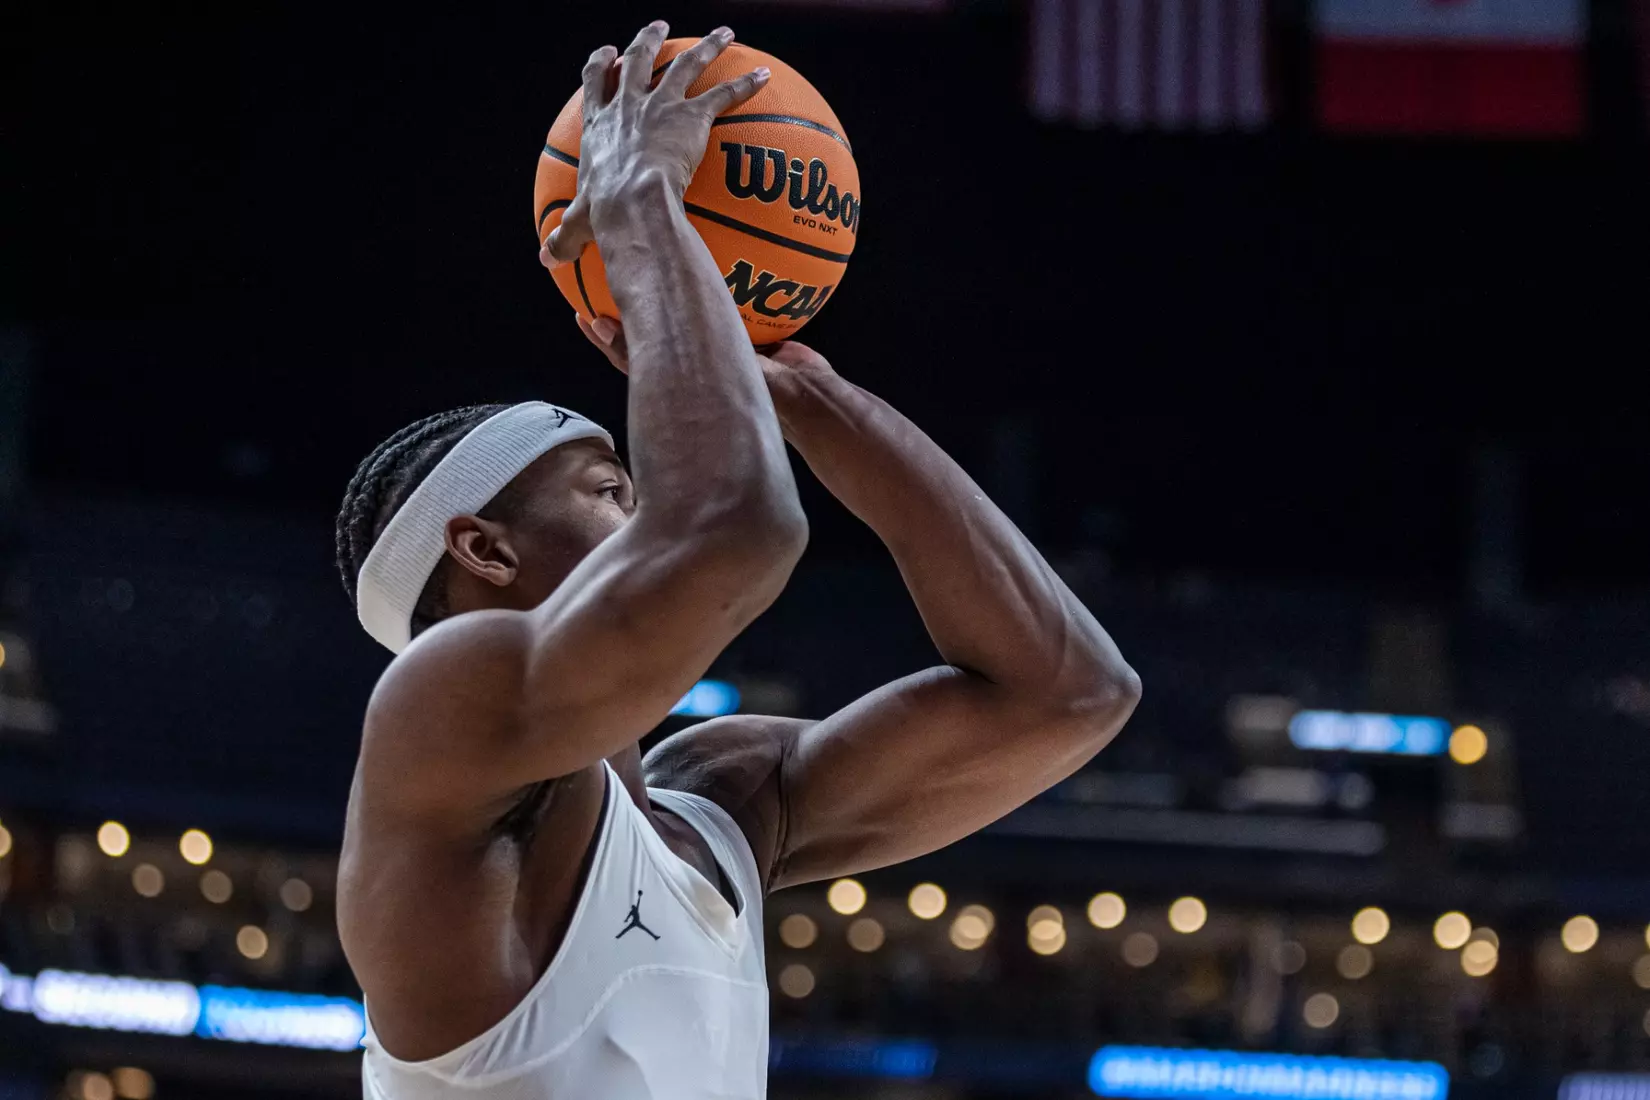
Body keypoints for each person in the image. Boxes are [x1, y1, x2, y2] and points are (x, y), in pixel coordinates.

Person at [333, 21, 1139, 1100]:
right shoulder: (440, 717)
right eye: (613, 490)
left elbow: (1069, 692)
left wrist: (818, 400)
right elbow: (733, 530)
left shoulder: (719, 800)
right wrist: (642, 215)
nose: (648, 497)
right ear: (483, 548)